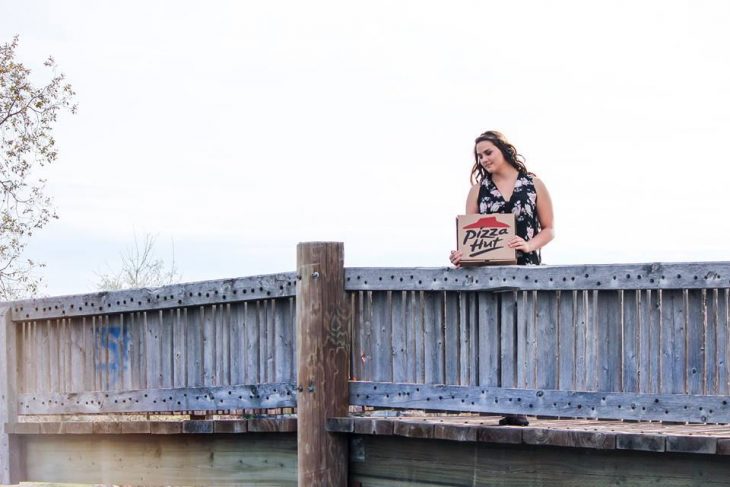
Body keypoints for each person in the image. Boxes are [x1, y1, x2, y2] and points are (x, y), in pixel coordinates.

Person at [450, 130, 555, 426]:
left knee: (525, 337)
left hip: (526, 273)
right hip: (489, 276)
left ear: (504, 151)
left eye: (488, 153)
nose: (483, 160)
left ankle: (524, 404)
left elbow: (549, 229)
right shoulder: (478, 191)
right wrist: (460, 256)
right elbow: (467, 238)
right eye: (479, 156)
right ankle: (509, 406)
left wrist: (529, 244)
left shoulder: (533, 184)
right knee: (496, 339)